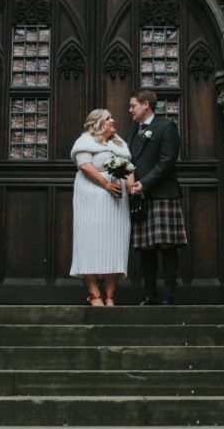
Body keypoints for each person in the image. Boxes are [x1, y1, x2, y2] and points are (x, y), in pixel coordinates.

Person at [126, 88, 187, 305]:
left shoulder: (166, 126)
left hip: (162, 193)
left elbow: (167, 161)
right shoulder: (133, 132)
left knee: (167, 245)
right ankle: (151, 295)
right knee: (146, 248)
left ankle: (169, 297)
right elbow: (128, 161)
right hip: (140, 197)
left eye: (133, 105)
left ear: (146, 105)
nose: (130, 109)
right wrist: (130, 180)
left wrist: (144, 183)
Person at [69, 108, 133, 306]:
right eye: (108, 118)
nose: (113, 120)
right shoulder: (85, 140)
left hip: (116, 201)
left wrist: (131, 184)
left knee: (114, 244)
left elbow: (128, 166)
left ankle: (110, 295)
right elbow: (85, 165)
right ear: (97, 122)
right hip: (91, 197)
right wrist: (105, 184)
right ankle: (95, 294)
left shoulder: (118, 143)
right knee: (90, 242)